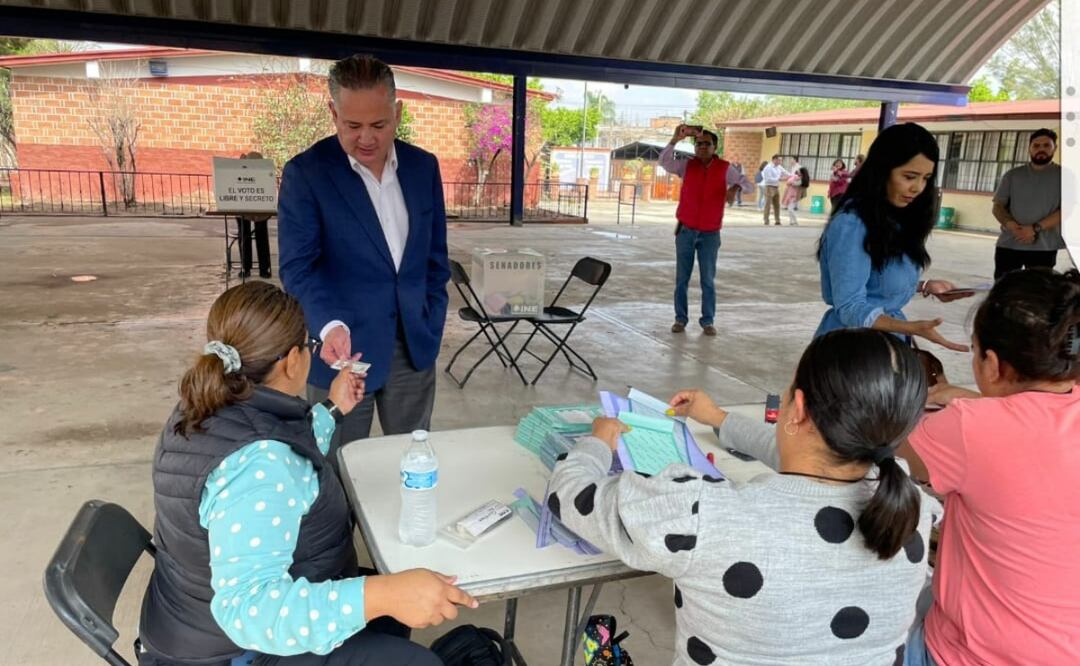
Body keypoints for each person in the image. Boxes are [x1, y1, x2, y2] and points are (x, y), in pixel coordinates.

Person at [549, 328, 940, 665]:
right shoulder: (912, 508)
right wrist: (719, 419)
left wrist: (597, 442)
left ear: (797, 408)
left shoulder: (701, 515)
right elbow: (813, 460)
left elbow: (569, 495)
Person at [138, 282, 476, 666]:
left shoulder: (205, 407)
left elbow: (280, 441)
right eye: (309, 345)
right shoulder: (260, 466)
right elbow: (250, 611)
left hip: (188, 619)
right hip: (239, 651)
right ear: (291, 361)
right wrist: (382, 594)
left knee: (390, 618)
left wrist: (333, 407)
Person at [897, 268, 1080, 666]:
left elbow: (894, 453)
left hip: (970, 655)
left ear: (992, 364)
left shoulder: (970, 428)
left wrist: (964, 408)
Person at [278, 54, 450, 463]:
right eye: (352, 126)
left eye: (379, 124)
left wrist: (431, 317)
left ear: (398, 111)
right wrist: (329, 326)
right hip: (342, 354)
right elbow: (297, 269)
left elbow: (435, 261)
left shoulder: (423, 168)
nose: (367, 139)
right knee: (339, 471)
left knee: (413, 462)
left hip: (413, 346)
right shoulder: (308, 174)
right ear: (333, 112)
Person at [815, 123, 971, 351]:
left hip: (888, 341)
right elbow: (849, 305)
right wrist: (909, 328)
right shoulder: (852, 223)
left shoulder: (894, 219)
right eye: (909, 176)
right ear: (882, 171)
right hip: (852, 348)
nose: (918, 188)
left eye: (926, 178)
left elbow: (876, 282)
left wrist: (925, 286)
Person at [659, 124, 754, 337]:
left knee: (707, 279)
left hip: (710, 233)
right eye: (699, 144)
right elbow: (664, 162)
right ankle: (680, 319)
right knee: (681, 279)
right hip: (686, 230)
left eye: (707, 144)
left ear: (715, 147)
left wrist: (734, 187)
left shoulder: (725, 168)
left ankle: (707, 320)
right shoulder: (686, 166)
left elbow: (749, 185)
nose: (702, 147)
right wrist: (675, 140)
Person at [991, 128, 1063, 280]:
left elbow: (1067, 210)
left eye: (1046, 145)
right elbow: (998, 206)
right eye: (1036, 146)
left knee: (1037, 294)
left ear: (1054, 148)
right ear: (1029, 148)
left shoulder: (1065, 176)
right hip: (1009, 243)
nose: (1041, 149)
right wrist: (1013, 227)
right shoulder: (1013, 175)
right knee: (1002, 291)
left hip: (1044, 247)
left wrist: (1034, 229)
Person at [236, 151, 273, 279]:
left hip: (260, 208)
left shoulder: (264, 175)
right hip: (243, 208)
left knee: (260, 236)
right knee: (245, 236)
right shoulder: (239, 173)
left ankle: (262, 268)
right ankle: (247, 267)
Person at [760, 154, 790, 225]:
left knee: (777, 205)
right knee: (768, 204)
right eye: (779, 160)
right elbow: (768, 179)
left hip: (776, 187)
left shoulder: (779, 167)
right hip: (769, 187)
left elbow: (786, 173)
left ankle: (777, 220)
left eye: (781, 160)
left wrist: (793, 176)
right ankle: (766, 220)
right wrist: (779, 179)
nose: (780, 161)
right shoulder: (768, 167)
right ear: (774, 160)